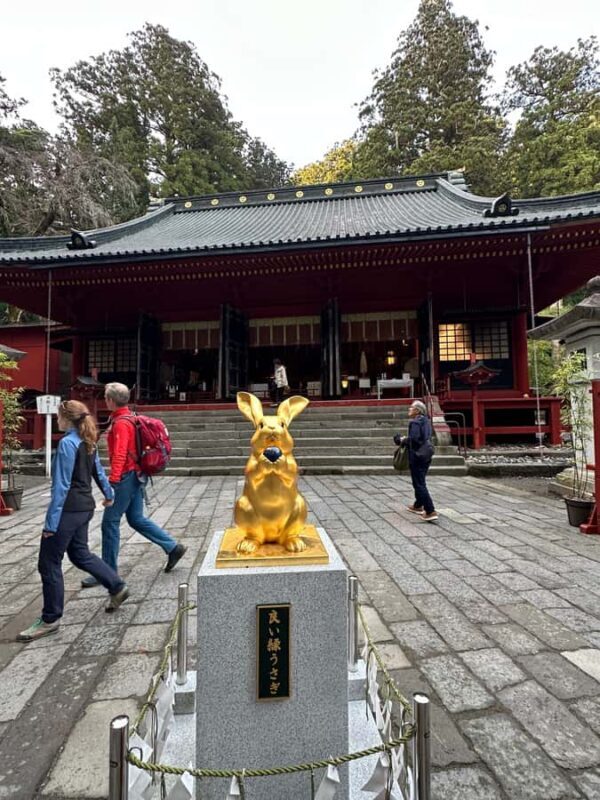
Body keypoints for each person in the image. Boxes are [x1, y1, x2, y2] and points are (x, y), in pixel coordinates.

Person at [17, 401, 129, 642]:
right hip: (84, 506)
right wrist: (108, 494)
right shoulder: (87, 440)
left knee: (48, 563)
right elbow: (98, 471)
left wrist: (50, 523)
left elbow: (61, 485)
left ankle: (50, 618)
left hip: (68, 511)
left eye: (59, 416)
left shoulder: (68, 443)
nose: (57, 420)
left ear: (66, 418)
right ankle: (117, 585)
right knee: (79, 554)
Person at [81, 382, 186, 588]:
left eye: (106, 397)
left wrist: (113, 481)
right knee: (136, 518)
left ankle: (108, 572)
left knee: (110, 523)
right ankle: (173, 547)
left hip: (126, 476)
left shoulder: (121, 423)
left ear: (110, 400)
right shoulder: (131, 417)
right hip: (137, 474)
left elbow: (120, 453)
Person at [394, 400, 438, 522]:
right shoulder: (426, 420)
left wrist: (401, 440)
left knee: (419, 483)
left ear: (417, 410)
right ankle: (418, 504)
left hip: (417, 455)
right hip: (427, 453)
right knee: (420, 480)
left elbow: (414, 440)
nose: (409, 409)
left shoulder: (415, 422)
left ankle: (430, 510)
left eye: (411, 407)